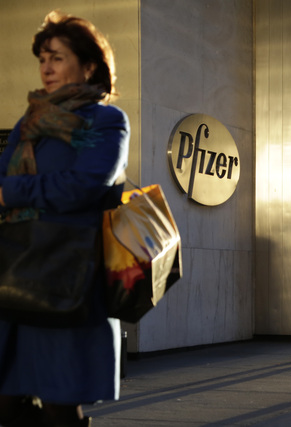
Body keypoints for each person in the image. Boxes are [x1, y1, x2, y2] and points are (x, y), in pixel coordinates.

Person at [0, 11, 129, 426]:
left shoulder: (105, 121)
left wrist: (12, 193)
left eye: (56, 57)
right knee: (7, 400)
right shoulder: (29, 120)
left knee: (59, 404)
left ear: (88, 65)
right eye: (42, 59)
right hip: (13, 268)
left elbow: (83, 186)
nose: (46, 68)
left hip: (65, 272)